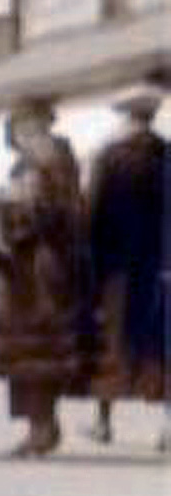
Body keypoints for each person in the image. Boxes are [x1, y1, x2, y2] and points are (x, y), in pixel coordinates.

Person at [0, 96, 87, 458]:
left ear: (26, 127)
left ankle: (40, 428)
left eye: (16, 129)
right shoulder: (63, 158)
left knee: (32, 347)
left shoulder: (37, 161)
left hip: (31, 271)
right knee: (45, 344)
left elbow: (35, 213)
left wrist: (2, 204)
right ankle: (45, 424)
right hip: (55, 264)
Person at [82, 86, 167, 451]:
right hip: (159, 268)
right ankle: (167, 427)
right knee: (159, 344)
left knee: (112, 341)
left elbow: (92, 213)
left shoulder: (109, 157)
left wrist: (90, 261)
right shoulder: (166, 156)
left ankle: (103, 421)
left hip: (116, 266)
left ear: (127, 118)